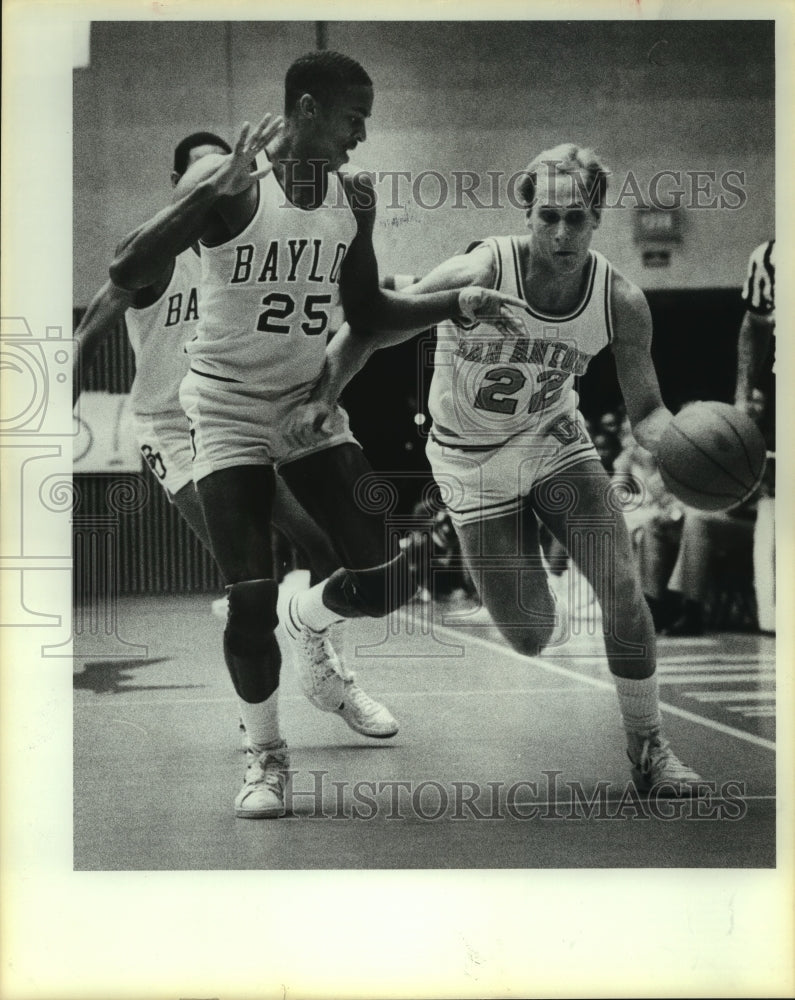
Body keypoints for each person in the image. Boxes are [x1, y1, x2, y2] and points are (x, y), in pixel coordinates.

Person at [109, 51, 524, 819]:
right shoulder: (233, 188)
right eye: (350, 118)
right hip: (225, 410)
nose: (361, 135)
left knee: (390, 580)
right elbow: (128, 264)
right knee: (248, 596)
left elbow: (367, 316)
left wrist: (455, 301)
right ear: (304, 109)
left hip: (305, 407)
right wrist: (204, 196)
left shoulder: (350, 200)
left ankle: (311, 620)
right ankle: (265, 755)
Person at [302, 143, 705, 796]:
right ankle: (507, 532)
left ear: (597, 215)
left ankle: (650, 748)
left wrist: (689, 446)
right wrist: (321, 397)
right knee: (531, 635)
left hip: (554, 443)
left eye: (575, 218)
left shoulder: (619, 300)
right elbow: (371, 326)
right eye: (547, 216)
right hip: (468, 463)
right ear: (527, 213)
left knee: (622, 589)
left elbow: (649, 413)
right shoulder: (481, 266)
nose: (560, 232)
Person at [73, 129, 400, 748]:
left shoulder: (259, 236)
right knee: (251, 577)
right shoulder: (157, 255)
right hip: (176, 426)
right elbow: (86, 338)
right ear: (182, 188)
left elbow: (347, 304)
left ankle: (319, 663)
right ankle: (263, 722)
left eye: (235, 170)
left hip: (252, 412)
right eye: (206, 174)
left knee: (328, 544)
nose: (226, 181)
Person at [735, 240, 775, 634]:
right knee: (774, 496)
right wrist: (742, 394)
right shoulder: (768, 257)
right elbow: (755, 322)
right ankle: (773, 616)